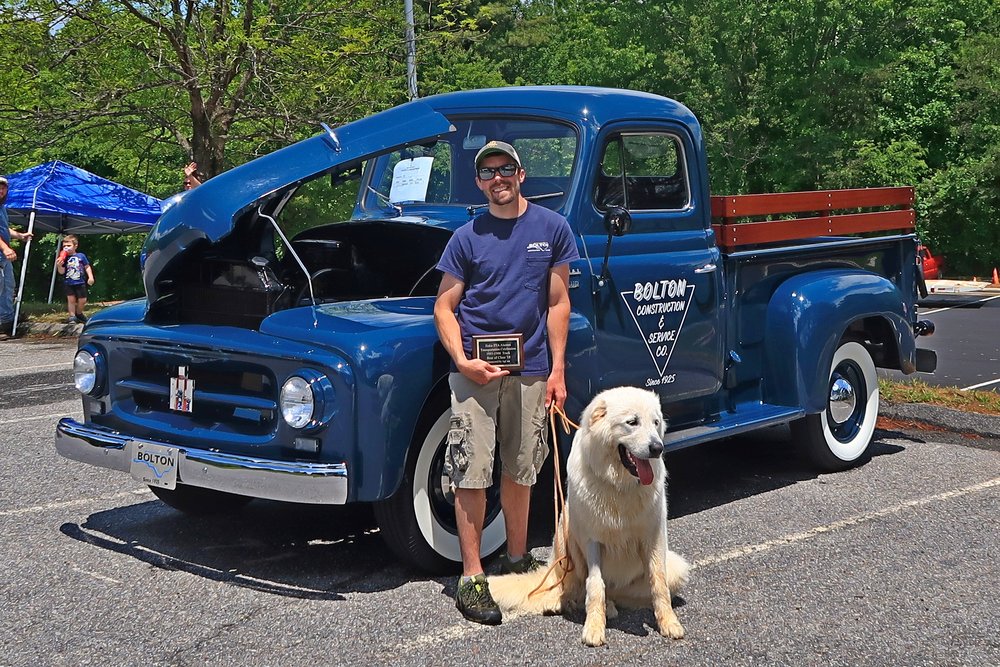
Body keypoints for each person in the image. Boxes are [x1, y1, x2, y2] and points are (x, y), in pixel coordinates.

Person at [434, 140, 579, 625]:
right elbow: (444, 307)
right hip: (475, 370)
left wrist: (557, 370)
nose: (497, 178)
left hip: (532, 368)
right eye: (488, 172)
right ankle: (472, 577)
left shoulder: (552, 228)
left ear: (521, 174)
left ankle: (517, 559)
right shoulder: (465, 238)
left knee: (522, 467)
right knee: (471, 469)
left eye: (505, 169)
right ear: (479, 183)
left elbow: (558, 303)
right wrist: (463, 360)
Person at [0, 175, 33, 340]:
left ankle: (6, 321)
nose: (1, 190)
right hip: (2, 253)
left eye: (3, 188)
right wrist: (5, 247)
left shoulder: (2, 208)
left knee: (8, 287)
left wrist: (20, 235)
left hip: (3, 257)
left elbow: (4, 229)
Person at [55, 234, 95, 324]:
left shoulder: (81, 256)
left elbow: (87, 266)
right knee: (71, 300)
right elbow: (61, 272)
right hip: (68, 282)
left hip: (80, 282)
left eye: (69, 245)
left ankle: (79, 313)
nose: (66, 248)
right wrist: (59, 266)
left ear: (75, 246)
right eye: (64, 246)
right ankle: (72, 316)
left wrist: (90, 277)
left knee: (83, 300)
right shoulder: (64, 258)